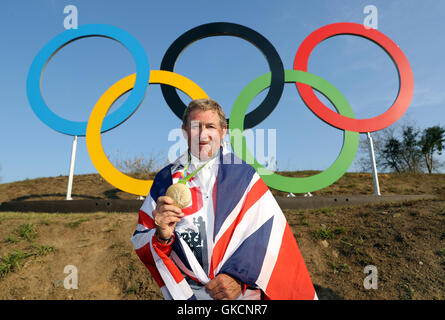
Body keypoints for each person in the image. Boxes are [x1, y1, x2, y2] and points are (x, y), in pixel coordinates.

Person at [131, 98, 317, 300]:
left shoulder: (244, 176)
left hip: (241, 295)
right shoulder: (165, 179)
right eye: (195, 127)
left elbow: (269, 234)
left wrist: (239, 277)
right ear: (184, 131)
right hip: (187, 293)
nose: (202, 134)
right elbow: (141, 239)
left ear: (223, 131)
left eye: (210, 126)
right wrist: (162, 236)